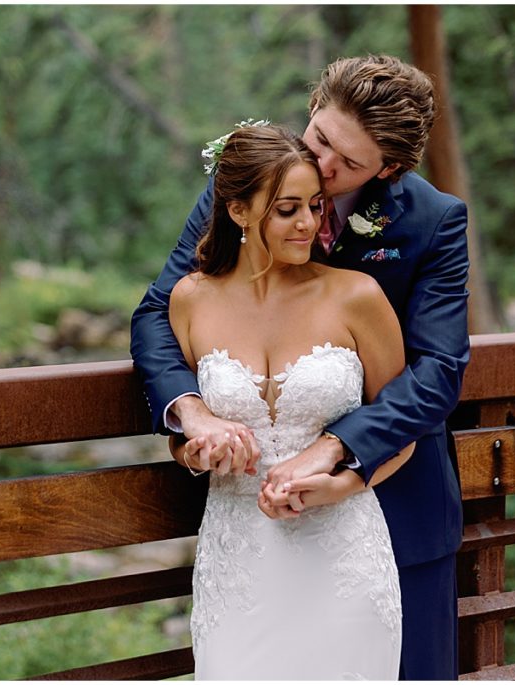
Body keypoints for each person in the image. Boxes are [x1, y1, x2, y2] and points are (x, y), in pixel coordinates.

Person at [131, 55, 468, 680]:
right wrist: (191, 410)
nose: (323, 167)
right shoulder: (245, 188)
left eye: (349, 164)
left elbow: (438, 371)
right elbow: (161, 309)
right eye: (320, 140)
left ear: (388, 170)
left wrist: (338, 450)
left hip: (394, 509)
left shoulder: (432, 222)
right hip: (250, 539)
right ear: (314, 109)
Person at [167, 122, 413, 679]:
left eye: (315, 204)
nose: (310, 223)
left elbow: (404, 430)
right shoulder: (190, 301)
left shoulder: (356, 296)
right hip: (236, 567)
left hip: (344, 557)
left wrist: (344, 482)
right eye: (287, 209)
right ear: (238, 212)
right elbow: (179, 443)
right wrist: (199, 453)